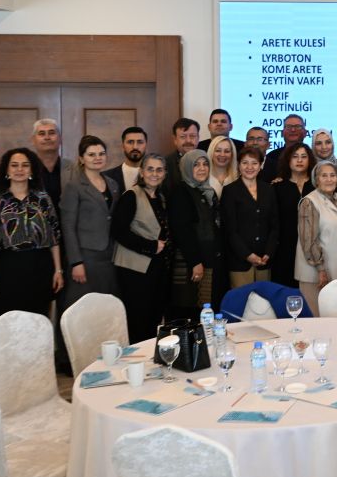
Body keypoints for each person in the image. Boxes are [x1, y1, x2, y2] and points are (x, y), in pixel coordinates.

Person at [0, 147, 64, 319]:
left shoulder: (43, 199)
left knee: (39, 318)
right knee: (12, 320)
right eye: (14, 165)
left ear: (31, 170)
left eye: (25, 165)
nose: (19, 169)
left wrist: (58, 270)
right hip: (9, 268)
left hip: (41, 265)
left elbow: (54, 236)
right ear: (7, 170)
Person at [112, 153, 171, 343]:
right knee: (138, 320)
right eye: (150, 169)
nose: (155, 174)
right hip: (133, 271)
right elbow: (118, 232)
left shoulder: (160, 197)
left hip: (155, 268)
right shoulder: (131, 196)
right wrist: (150, 246)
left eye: (159, 170)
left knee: (153, 318)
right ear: (142, 172)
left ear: (165, 173)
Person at [60, 135, 121, 310]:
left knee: (106, 307)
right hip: (86, 257)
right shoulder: (74, 186)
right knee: (83, 308)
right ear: (81, 158)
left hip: (110, 255)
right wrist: (76, 262)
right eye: (91, 154)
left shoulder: (112, 184)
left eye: (101, 154)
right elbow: (68, 227)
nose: (97, 158)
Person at [168, 149, 226, 318]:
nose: (202, 168)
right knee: (191, 310)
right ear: (186, 168)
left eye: (205, 164)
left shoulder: (207, 191)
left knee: (206, 308)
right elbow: (182, 230)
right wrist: (195, 262)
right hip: (191, 263)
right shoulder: (181, 192)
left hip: (209, 258)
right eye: (196, 165)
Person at [296, 161, 337, 313]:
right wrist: (320, 269)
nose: (329, 179)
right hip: (317, 274)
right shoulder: (309, 202)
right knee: (317, 319)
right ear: (316, 179)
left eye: (332, 175)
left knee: (336, 318)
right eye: (324, 176)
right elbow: (308, 240)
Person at [221, 146, 279, 288]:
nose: (249, 167)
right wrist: (248, 255)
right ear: (238, 165)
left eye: (254, 163)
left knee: (263, 299)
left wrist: (269, 252)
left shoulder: (269, 189)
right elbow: (230, 230)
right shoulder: (230, 191)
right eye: (245, 163)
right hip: (239, 261)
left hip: (264, 259)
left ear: (260, 166)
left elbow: (275, 225)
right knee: (242, 299)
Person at [272, 143, 317, 288]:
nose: (299, 160)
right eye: (295, 156)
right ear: (288, 160)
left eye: (304, 156)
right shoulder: (277, 187)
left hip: (313, 247)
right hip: (285, 248)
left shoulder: (317, 186)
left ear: (310, 160)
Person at [30, 119, 69, 206]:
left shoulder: (75, 170)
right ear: (33, 140)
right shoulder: (26, 170)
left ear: (60, 139)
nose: (47, 137)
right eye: (42, 134)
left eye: (51, 133)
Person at [263, 114, 307, 181]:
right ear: (282, 133)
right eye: (288, 127)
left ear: (305, 133)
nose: (293, 130)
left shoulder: (312, 156)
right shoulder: (271, 157)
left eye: (297, 126)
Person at [104, 126, 147, 193]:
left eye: (140, 142)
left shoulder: (156, 176)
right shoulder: (107, 177)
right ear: (123, 146)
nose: (135, 147)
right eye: (130, 142)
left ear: (146, 145)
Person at [164, 117, 200, 191]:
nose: (188, 140)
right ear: (175, 140)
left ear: (198, 138)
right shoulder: (166, 164)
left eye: (192, 136)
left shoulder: (206, 160)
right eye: (183, 137)